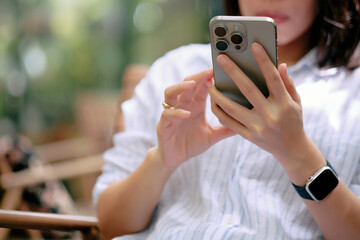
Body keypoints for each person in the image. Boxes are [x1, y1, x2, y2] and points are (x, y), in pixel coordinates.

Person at [93, 0, 360, 239]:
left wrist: (297, 152)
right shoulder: (174, 70)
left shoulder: (352, 92)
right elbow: (111, 224)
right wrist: (162, 160)